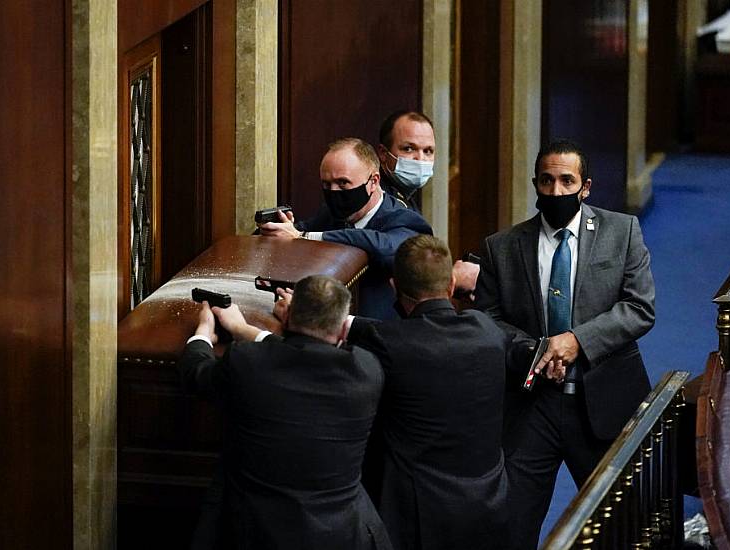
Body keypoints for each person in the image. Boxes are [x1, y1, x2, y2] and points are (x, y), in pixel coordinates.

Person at [276, 235, 519, 549]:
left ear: (394, 287)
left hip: (419, 520)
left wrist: (301, 312)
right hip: (488, 507)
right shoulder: (486, 330)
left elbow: (361, 332)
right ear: (451, 285)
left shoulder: (388, 342)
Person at [474, 139, 656, 549]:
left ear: (585, 186)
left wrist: (577, 341)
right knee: (511, 525)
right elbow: (487, 320)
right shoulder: (501, 247)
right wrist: (535, 350)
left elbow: (639, 308)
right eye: (547, 181)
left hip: (603, 401)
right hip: (531, 406)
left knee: (623, 524)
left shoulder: (622, 232)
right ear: (536, 184)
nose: (556, 192)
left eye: (566, 181)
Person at [178, 275, 392, 549]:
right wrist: (244, 329)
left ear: (287, 316)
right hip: (345, 532)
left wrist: (203, 335)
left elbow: (196, 374)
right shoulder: (366, 370)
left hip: (257, 530)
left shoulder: (247, 363)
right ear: (341, 332)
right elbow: (306, 357)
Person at [259, 137, 432, 320]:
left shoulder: (407, 220)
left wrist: (303, 236)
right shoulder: (331, 213)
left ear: (373, 181)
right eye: (327, 184)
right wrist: (278, 228)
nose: (334, 192)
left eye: (342, 183)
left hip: (380, 335)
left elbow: (384, 248)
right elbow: (294, 232)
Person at [376, 110, 480, 297]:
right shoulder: (377, 200)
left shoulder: (405, 198)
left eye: (428, 151)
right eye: (409, 149)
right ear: (383, 154)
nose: (420, 159)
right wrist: (451, 277)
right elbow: (401, 261)